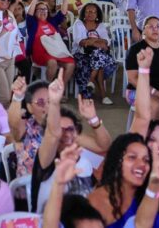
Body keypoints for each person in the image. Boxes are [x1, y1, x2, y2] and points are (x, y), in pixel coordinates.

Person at [30, 73, 111, 213]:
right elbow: (53, 134)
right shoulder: (46, 160)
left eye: (70, 129)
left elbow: (104, 145)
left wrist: (93, 119)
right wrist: (54, 102)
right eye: (61, 130)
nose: (66, 134)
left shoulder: (84, 162)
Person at [26, 0, 75, 82]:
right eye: (39, 9)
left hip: (55, 50)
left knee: (71, 64)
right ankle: (47, 89)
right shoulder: (33, 23)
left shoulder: (52, 22)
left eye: (45, 9)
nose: (42, 11)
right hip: (39, 52)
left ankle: (60, 88)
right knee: (52, 62)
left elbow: (63, 13)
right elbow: (29, 14)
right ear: (35, 12)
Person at [72, 2, 116, 104]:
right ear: (83, 13)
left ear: (97, 14)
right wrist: (97, 42)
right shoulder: (78, 24)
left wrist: (90, 41)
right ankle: (103, 94)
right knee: (98, 60)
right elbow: (80, 42)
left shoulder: (100, 25)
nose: (89, 13)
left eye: (93, 12)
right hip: (82, 54)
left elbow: (106, 42)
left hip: (98, 55)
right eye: (87, 11)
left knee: (98, 55)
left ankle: (91, 81)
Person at [8, 78, 48, 177]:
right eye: (40, 102)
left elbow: (93, 146)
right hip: (29, 188)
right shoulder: (27, 126)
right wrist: (17, 97)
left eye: (52, 101)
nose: (47, 107)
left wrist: (93, 120)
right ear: (30, 107)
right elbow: (13, 125)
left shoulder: (65, 127)